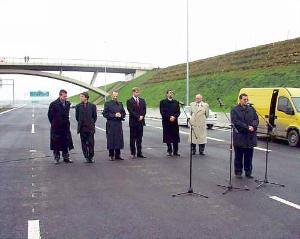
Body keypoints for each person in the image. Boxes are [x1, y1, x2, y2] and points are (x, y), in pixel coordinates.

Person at [231, 93, 259, 179]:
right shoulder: (235, 110)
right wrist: (247, 127)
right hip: (240, 136)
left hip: (250, 137)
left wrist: (253, 126)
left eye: (247, 99)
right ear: (240, 100)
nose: (246, 101)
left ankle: (248, 172)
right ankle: (238, 171)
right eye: (244, 99)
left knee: (249, 156)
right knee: (239, 156)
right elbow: (236, 122)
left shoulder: (251, 109)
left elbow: (256, 119)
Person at [48, 89, 74, 164]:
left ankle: (66, 157)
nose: (66, 97)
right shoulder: (53, 104)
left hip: (65, 126)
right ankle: (57, 158)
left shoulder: (67, 104)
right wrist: (54, 123)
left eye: (66, 96)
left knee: (66, 142)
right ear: (60, 95)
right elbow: (50, 115)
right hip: (56, 127)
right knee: (56, 143)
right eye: (64, 96)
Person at [102, 91, 126, 161]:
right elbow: (105, 113)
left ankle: (118, 155)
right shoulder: (107, 104)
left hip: (118, 123)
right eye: (114, 95)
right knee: (111, 139)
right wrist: (114, 115)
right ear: (111, 96)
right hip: (111, 123)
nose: (115, 97)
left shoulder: (120, 104)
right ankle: (111, 155)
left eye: (116, 96)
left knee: (119, 139)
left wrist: (121, 115)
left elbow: (123, 113)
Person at [75, 92, 97, 163]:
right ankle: (86, 157)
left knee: (91, 143)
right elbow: (77, 117)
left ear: (86, 97)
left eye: (82, 96)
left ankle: (91, 156)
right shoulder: (78, 106)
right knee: (83, 143)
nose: (80, 98)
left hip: (90, 128)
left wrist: (91, 123)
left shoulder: (92, 106)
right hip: (82, 128)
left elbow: (94, 117)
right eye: (80, 96)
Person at [126, 87, 147, 159]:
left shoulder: (142, 100)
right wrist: (138, 117)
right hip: (133, 122)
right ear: (133, 92)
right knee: (133, 138)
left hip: (141, 122)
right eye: (136, 92)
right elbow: (131, 111)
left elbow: (144, 110)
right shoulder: (129, 101)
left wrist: (142, 116)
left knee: (139, 138)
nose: (137, 93)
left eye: (138, 92)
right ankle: (133, 153)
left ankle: (139, 153)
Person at [160, 89, 181, 156]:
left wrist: (174, 117)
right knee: (168, 136)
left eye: (172, 93)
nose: (171, 94)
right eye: (170, 93)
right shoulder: (163, 102)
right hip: (166, 122)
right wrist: (169, 117)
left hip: (174, 122)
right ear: (167, 94)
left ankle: (176, 151)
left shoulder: (176, 102)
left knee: (175, 137)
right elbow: (162, 112)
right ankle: (169, 150)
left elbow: (178, 111)